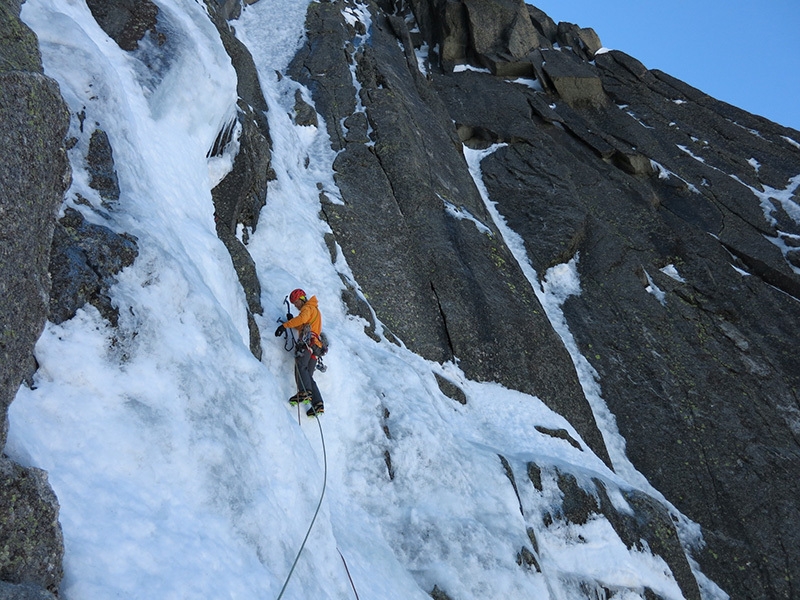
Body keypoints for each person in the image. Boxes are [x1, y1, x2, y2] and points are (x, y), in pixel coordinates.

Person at [274, 288, 325, 417]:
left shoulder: (308, 308)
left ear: (302, 299)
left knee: (300, 366)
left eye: (296, 302)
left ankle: (304, 392)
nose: (295, 305)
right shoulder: (314, 310)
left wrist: (284, 326)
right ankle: (318, 403)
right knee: (307, 374)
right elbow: (302, 323)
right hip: (316, 348)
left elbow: (302, 319)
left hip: (308, 344)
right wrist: (292, 320)